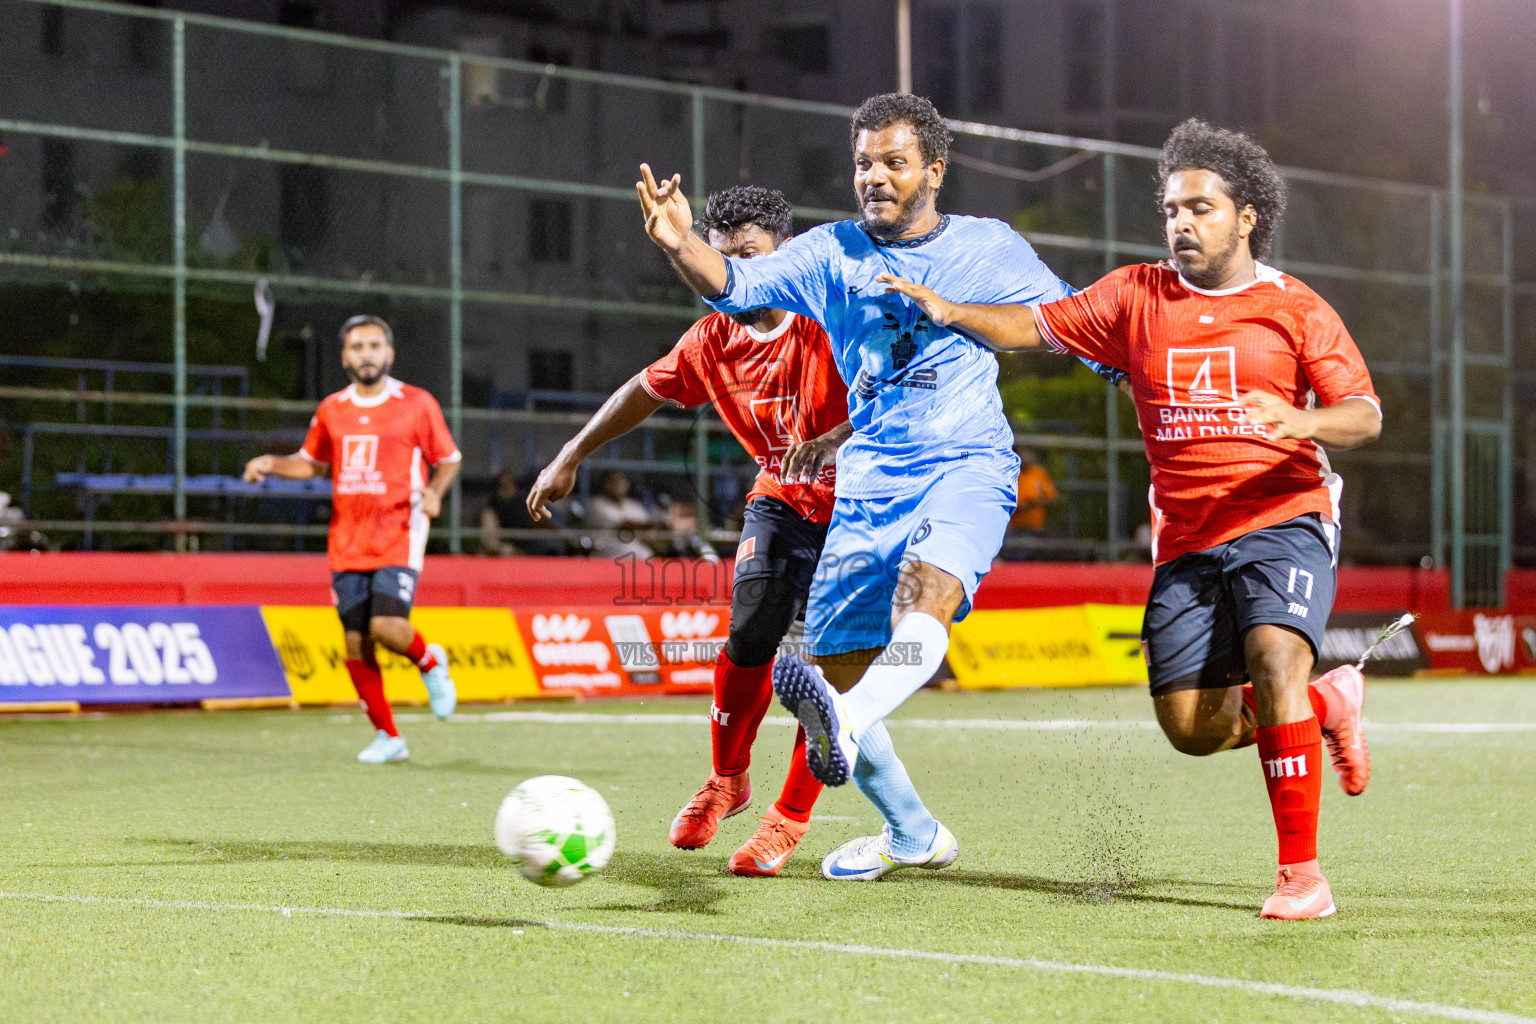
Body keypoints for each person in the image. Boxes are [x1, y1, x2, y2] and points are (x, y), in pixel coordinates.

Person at [878, 119, 1380, 919]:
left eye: (1201, 209)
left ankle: (1301, 875)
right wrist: (950, 309)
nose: (1182, 223)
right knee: (1192, 727)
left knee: (1276, 656)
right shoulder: (1135, 295)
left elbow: (1363, 414)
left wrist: (1304, 422)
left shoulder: (1295, 308)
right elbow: (1037, 328)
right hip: (1187, 539)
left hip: (1284, 513)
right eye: (1173, 209)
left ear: (1246, 217)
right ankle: (1331, 705)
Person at [636, 94, 1090, 881]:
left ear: (933, 171)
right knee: (838, 661)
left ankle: (839, 727)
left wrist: (961, 313)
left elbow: (1073, 322)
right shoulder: (829, 252)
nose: (873, 177)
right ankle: (912, 831)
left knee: (926, 599)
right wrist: (681, 246)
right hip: (870, 484)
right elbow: (737, 285)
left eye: (892, 162)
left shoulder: (989, 247)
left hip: (967, 464)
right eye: (862, 164)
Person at [529, 185, 851, 877]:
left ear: (785, 254)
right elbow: (639, 391)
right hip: (784, 499)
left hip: (870, 506)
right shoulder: (712, 339)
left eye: (750, 253)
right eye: (722, 252)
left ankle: (786, 823)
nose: (734, 267)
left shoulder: (832, 315)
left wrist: (833, 438)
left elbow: (904, 389)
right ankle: (727, 781)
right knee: (750, 633)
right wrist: (569, 457)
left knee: (824, 672)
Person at [243, 315, 459, 764]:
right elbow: (311, 463)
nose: (366, 354)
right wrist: (270, 463)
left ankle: (429, 661)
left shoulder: (417, 403)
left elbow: (449, 458)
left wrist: (435, 494)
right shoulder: (331, 409)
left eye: (374, 346)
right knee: (356, 643)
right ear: (345, 356)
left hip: (400, 530)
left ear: (389, 353)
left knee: (387, 628)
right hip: (347, 538)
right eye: (357, 347)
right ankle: (389, 737)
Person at [480, 470, 562, 556]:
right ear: (497, 488)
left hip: (537, 549)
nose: (508, 487)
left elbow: (545, 523)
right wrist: (502, 548)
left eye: (510, 483)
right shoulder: (492, 509)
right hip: (512, 552)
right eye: (503, 485)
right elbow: (491, 541)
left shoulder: (525, 502)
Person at [584, 470, 655, 560]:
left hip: (637, 548)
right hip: (607, 550)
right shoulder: (596, 504)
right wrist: (647, 526)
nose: (618, 484)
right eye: (614, 481)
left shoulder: (634, 505)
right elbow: (622, 526)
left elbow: (648, 529)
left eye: (621, 481)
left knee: (648, 555)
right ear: (605, 484)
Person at [1009, 446, 1058, 534]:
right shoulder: (1010, 474)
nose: (1024, 456)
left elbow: (1053, 498)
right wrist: (1020, 507)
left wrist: (1035, 502)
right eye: (1021, 453)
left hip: (1037, 529)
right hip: (1014, 529)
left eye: (1027, 453)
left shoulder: (1039, 473)